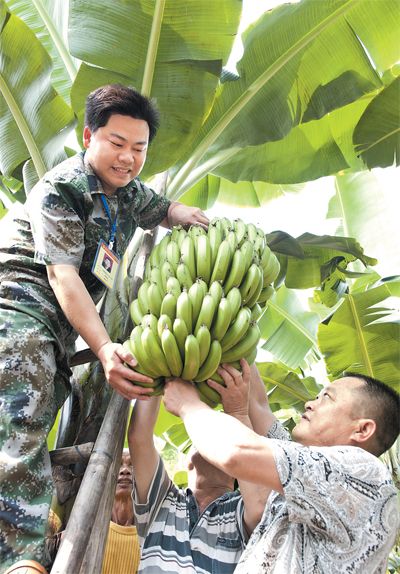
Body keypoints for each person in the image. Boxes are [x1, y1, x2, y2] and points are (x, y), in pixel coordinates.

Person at [0, 83, 209, 573]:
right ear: (89, 135)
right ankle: (19, 561)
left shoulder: (125, 191)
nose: (128, 158)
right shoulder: (61, 188)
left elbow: (159, 206)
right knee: (20, 429)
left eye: (139, 148)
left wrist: (186, 216)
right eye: (116, 143)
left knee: (29, 422)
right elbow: (62, 274)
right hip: (17, 309)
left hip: (52, 329)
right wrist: (105, 348)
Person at [163, 370, 400, 573]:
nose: (310, 403)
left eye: (326, 397)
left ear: (362, 430)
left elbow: (236, 452)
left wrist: (188, 405)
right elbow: (257, 406)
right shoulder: (304, 477)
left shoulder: (363, 472)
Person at [128, 360, 270, 573]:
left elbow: (259, 508)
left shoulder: (240, 511)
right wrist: (159, 369)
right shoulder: (163, 502)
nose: (216, 436)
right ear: (188, 462)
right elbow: (139, 438)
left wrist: (237, 411)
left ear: (236, 473)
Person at [101, 449, 140, 574]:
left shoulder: (150, 535)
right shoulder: (91, 529)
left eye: (132, 465)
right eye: (118, 464)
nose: (125, 470)